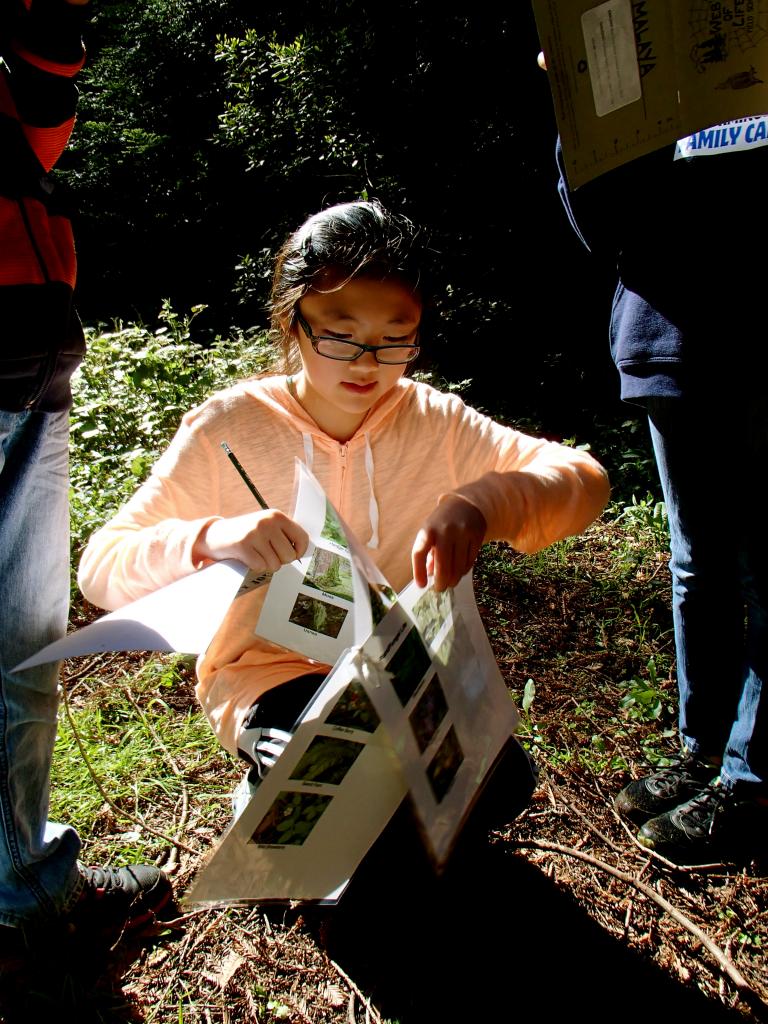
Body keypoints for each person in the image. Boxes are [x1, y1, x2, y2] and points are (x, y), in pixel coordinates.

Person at [78, 199, 610, 833]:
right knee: (336, 790)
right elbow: (102, 568)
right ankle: (271, 797)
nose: (366, 362)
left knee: (499, 787)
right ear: (292, 321)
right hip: (271, 672)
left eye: (394, 339)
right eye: (340, 332)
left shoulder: (433, 420)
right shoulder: (231, 426)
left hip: (397, 665)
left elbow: (584, 480)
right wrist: (211, 538)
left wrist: (482, 503)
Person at [550, 83, 768, 862]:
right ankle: (703, 750)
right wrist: (578, 115)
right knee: (697, 565)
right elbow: (599, 227)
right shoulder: (649, 75)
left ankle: (751, 783)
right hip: (671, 346)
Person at [0, 0, 173, 959]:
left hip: (26, 362)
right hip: (13, 365)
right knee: (13, 650)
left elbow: (39, 135)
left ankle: (17, 871)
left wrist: (45, 28)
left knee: (19, 644)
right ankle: (21, 891)